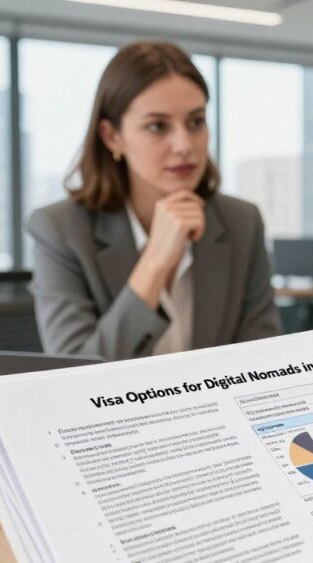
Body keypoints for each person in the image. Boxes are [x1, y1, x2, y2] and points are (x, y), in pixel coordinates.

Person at [27, 41, 281, 361]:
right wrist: (154, 263)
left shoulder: (242, 222)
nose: (184, 145)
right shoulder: (60, 230)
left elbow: (264, 361)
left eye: (196, 122)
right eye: (158, 126)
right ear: (112, 137)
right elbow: (74, 375)